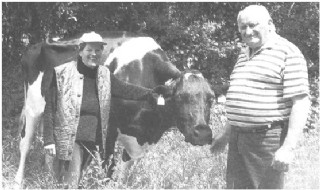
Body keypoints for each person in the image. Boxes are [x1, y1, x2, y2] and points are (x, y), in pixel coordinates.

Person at [43, 31, 168, 188]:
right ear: (80, 51)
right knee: (71, 183)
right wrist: (48, 140)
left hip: (92, 140)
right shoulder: (62, 73)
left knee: (79, 181)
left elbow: (124, 89)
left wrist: (150, 94)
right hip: (69, 139)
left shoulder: (103, 74)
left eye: (97, 50)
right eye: (89, 50)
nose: (94, 54)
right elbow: (50, 108)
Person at [210, 5, 310, 189]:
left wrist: (287, 148)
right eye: (242, 27)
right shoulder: (244, 53)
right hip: (238, 140)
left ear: (270, 24)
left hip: (266, 140)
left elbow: (301, 103)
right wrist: (226, 133)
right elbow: (241, 99)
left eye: (253, 25)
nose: (247, 32)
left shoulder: (288, 52)